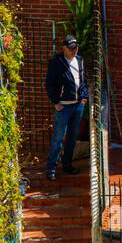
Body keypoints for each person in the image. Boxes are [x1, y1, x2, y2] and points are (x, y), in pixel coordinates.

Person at [45, 35, 88, 181]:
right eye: (71, 49)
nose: (74, 51)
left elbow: (83, 79)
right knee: (58, 137)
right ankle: (51, 168)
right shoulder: (57, 63)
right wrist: (56, 102)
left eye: (76, 48)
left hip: (78, 106)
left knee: (72, 137)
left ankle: (67, 164)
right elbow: (49, 84)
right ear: (64, 48)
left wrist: (84, 97)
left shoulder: (80, 60)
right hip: (63, 107)